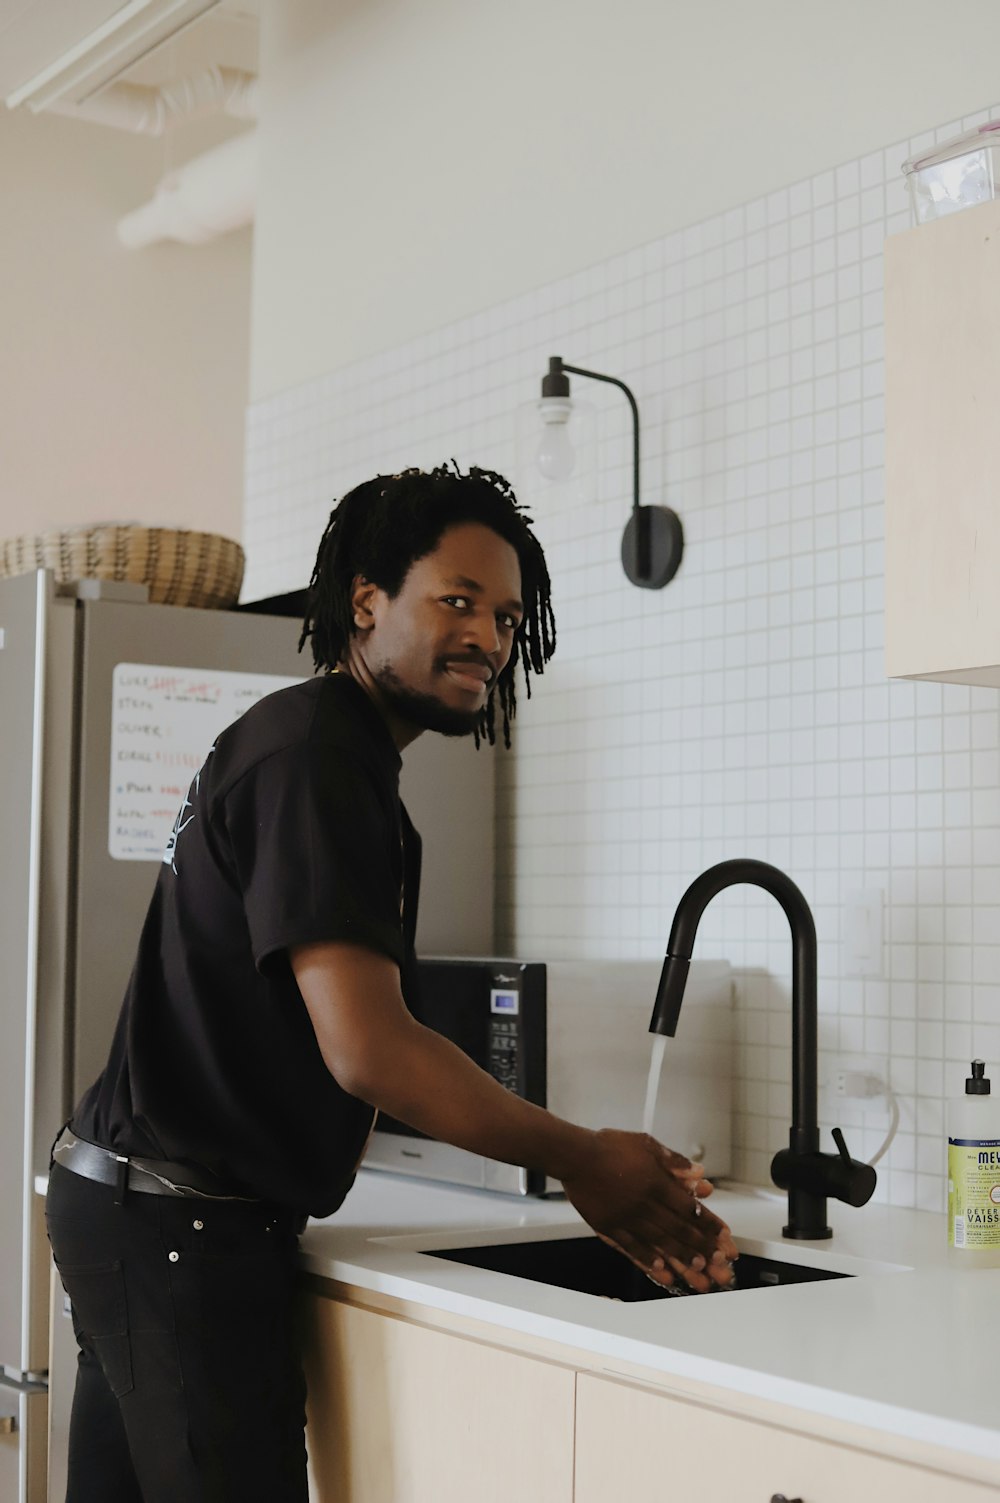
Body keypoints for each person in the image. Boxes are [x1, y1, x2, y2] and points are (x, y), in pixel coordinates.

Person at [45, 462, 737, 1503]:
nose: (488, 639)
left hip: (139, 1209)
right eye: (457, 601)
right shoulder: (318, 757)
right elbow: (370, 1046)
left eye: (506, 617)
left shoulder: (320, 748)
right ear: (366, 600)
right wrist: (584, 1158)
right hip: (182, 1226)